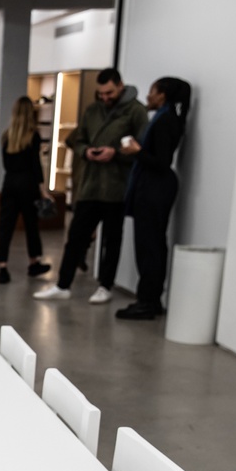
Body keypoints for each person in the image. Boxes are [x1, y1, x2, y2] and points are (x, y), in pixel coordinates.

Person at [34, 68, 148, 303]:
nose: (105, 97)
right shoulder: (93, 110)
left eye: (109, 93)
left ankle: (105, 285)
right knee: (76, 236)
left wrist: (115, 153)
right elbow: (76, 139)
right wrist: (86, 152)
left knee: (111, 240)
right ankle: (63, 284)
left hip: (117, 188)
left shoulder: (136, 111)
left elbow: (142, 149)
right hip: (90, 185)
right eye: (101, 93)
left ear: (120, 86)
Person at [114, 77, 192, 320]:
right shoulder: (165, 118)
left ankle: (147, 301)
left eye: (152, 91)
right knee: (150, 244)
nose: (148, 96)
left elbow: (161, 161)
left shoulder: (166, 120)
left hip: (155, 188)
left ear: (163, 95)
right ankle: (149, 299)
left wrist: (137, 151)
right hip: (153, 187)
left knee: (150, 246)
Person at [0, 96, 51, 284]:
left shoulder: (6, 136)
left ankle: (2, 267)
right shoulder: (33, 136)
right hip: (27, 183)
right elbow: (36, 165)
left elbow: (5, 163)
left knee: (6, 226)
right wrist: (42, 189)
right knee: (31, 225)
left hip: (10, 181)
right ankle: (33, 262)